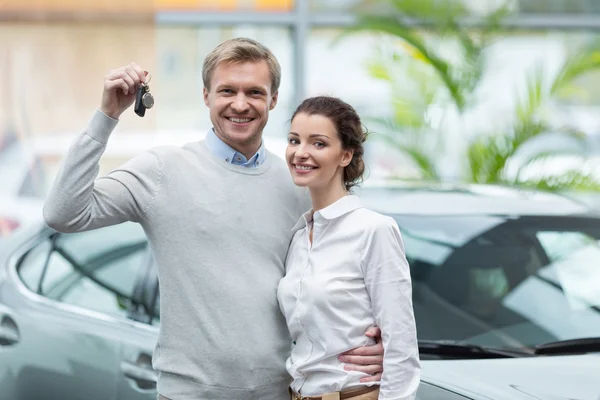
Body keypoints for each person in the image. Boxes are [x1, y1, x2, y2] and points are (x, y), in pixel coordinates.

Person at [42, 38, 385, 400]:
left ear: (273, 99)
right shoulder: (162, 170)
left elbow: (336, 285)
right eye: (226, 91)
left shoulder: (299, 185)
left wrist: (371, 340)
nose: (240, 104)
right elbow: (62, 213)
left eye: (254, 92)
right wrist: (106, 116)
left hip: (280, 393)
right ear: (206, 96)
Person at [278, 96, 421, 400]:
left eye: (318, 144)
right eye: (294, 140)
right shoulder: (300, 235)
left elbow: (401, 343)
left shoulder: (373, 230)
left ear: (345, 155)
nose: (300, 153)